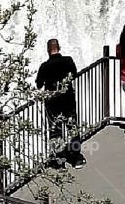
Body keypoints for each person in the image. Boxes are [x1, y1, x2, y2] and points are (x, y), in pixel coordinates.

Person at [35, 38, 86, 169]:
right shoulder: (68, 60)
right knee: (72, 128)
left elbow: (39, 84)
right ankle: (76, 158)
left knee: (55, 130)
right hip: (68, 101)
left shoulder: (44, 66)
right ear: (59, 47)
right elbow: (74, 74)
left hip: (52, 103)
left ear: (48, 50)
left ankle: (59, 161)